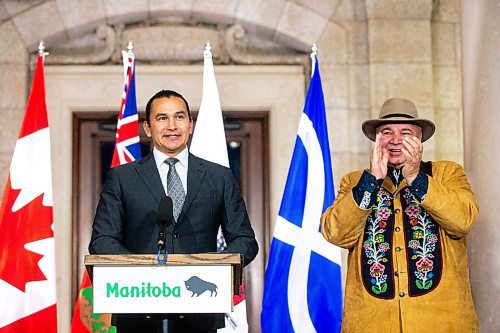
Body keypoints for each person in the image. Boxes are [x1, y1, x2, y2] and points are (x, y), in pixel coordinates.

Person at [89, 89, 259, 333]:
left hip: (200, 313)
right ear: (147, 128)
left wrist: (213, 267)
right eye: (162, 118)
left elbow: (245, 240)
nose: (172, 126)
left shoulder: (218, 177)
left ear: (190, 125)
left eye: (179, 117)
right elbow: (102, 240)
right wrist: (142, 274)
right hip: (137, 311)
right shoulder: (122, 178)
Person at [321, 97, 479, 332]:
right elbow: (335, 233)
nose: (395, 140)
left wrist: (416, 177)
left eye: (405, 132)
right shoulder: (355, 182)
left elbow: (463, 220)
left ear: (419, 139)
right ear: (377, 140)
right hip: (371, 324)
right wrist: (372, 181)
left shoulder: (447, 173)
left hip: (442, 324)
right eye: (386, 132)